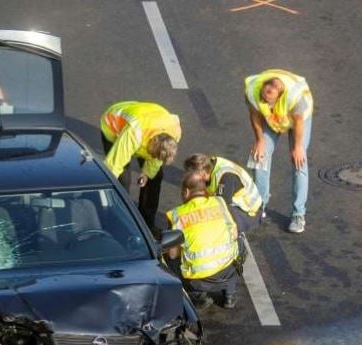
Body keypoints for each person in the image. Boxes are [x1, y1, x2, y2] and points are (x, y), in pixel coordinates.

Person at [244, 69, 313, 233]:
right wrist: (260, 141)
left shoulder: (295, 98)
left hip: (297, 120)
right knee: (259, 157)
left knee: (299, 163)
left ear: (279, 96)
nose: (264, 104)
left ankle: (298, 214)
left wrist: (297, 148)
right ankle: (260, 205)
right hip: (275, 118)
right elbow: (255, 115)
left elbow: (298, 123)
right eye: (263, 99)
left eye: (269, 101)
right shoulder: (253, 90)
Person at [100, 101, 181, 229]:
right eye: (152, 155)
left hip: (147, 126)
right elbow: (113, 166)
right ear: (151, 144)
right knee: (122, 180)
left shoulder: (174, 131)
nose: (153, 158)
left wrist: (146, 174)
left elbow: (156, 159)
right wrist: (104, 189)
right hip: (113, 127)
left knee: (155, 177)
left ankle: (147, 224)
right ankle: (120, 222)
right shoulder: (134, 133)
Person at [166, 171, 240, 310]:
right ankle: (229, 293)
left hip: (199, 279)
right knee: (240, 244)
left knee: (167, 254)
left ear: (187, 192)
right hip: (227, 270)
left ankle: (198, 296)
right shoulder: (220, 202)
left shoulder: (177, 215)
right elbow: (234, 233)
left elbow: (173, 254)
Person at [184, 154, 263, 233]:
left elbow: (222, 207)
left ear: (203, 174)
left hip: (249, 211)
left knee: (218, 221)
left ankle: (234, 242)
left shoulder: (226, 177)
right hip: (237, 205)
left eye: (192, 177)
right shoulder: (211, 166)